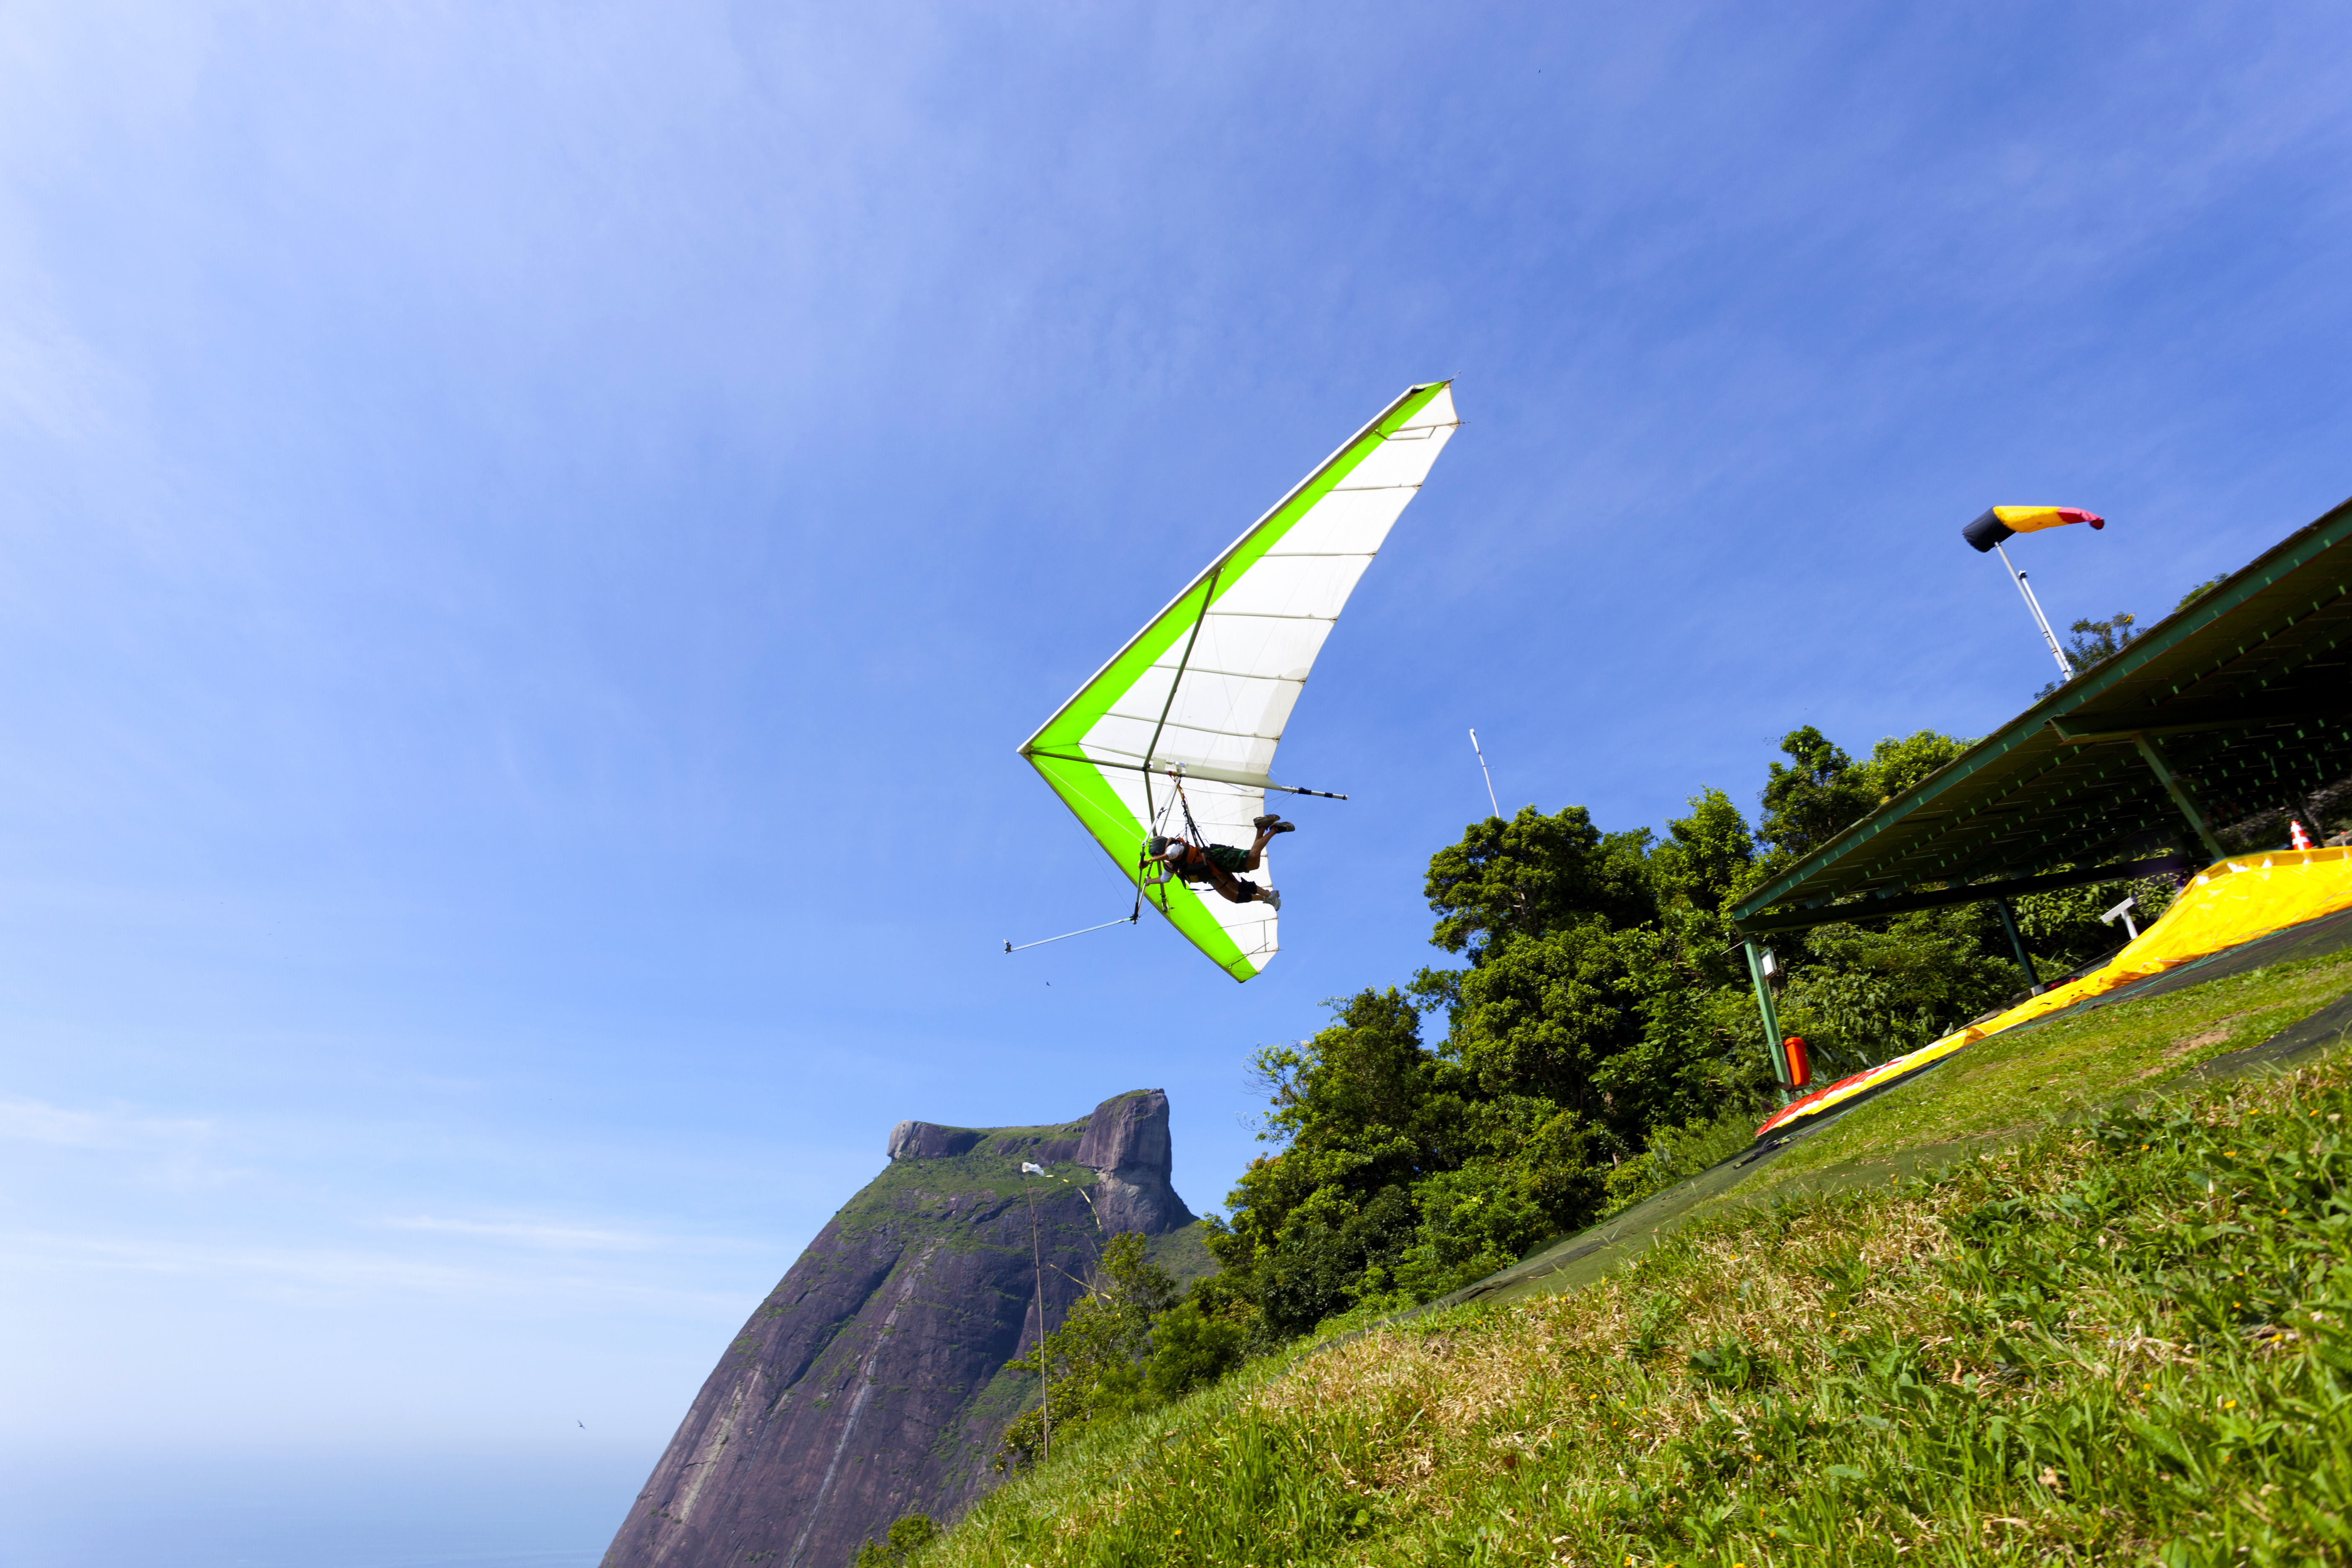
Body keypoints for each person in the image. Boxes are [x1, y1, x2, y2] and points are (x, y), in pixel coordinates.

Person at [1143, 813, 1294, 909]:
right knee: (1234, 896)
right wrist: (1150, 881)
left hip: (1215, 858)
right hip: (1211, 875)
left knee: (1253, 860)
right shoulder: (1170, 866)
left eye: (1158, 855)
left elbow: (1170, 854)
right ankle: (1266, 897)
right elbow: (1164, 879)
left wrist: (1149, 861)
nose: (1159, 857)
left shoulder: (1175, 848)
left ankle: (1274, 830)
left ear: (1161, 851)